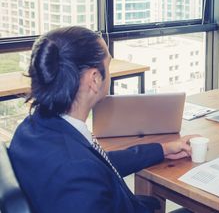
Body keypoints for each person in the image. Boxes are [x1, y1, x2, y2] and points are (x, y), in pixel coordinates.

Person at [9, 26, 198, 213]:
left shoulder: (32, 128)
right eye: (108, 64)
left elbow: (98, 163)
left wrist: (163, 149)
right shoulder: (76, 171)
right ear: (94, 79)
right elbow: (85, 169)